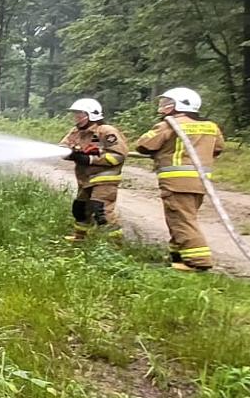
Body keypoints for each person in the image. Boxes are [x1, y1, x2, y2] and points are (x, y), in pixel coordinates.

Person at [133, 87, 224, 271]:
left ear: (180, 105)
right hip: (200, 182)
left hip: (176, 182)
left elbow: (144, 145)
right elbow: (218, 148)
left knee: (182, 221)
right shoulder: (211, 126)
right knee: (183, 218)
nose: (163, 108)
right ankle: (178, 256)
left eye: (168, 104)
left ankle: (199, 262)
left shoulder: (170, 124)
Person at [59, 98, 130, 241]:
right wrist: (71, 153)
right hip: (85, 179)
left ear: (92, 115)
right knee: (80, 208)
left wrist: (91, 159)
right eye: (75, 115)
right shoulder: (76, 132)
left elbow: (118, 155)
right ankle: (79, 238)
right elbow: (62, 147)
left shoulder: (107, 131)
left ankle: (116, 244)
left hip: (105, 179)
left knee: (101, 210)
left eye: (79, 115)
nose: (76, 118)